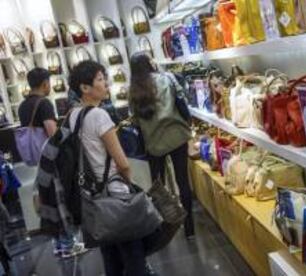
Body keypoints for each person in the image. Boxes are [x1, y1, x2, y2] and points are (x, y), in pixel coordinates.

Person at [68, 60, 149, 276]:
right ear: (85, 88)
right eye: (101, 80)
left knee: (111, 257)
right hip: (115, 194)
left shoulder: (72, 115)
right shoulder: (99, 115)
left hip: (94, 197)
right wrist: (129, 183)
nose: (106, 84)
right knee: (134, 256)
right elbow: (122, 162)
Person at [18, 68, 84, 258]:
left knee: (47, 200)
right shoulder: (44, 103)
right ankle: (68, 244)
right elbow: (52, 133)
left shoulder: (23, 106)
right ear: (45, 83)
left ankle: (58, 244)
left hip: (37, 161)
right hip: (51, 158)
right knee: (59, 200)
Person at [129, 54, 195, 238]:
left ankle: (166, 227)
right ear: (149, 64)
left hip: (152, 142)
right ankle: (190, 228)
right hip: (177, 136)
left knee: (158, 187)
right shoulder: (167, 78)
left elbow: (135, 120)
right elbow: (182, 101)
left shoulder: (133, 90)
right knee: (183, 182)